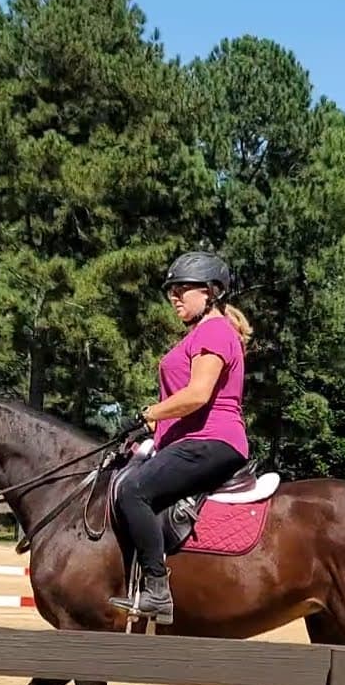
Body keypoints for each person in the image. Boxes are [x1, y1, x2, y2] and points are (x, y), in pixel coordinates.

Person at [108, 251, 252, 624]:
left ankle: (157, 590)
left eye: (183, 289)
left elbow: (198, 395)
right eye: (172, 289)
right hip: (188, 438)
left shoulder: (215, 331)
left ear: (213, 292)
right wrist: (148, 428)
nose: (174, 296)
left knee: (133, 491)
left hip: (212, 440)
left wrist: (148, 413)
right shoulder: (201, 333)